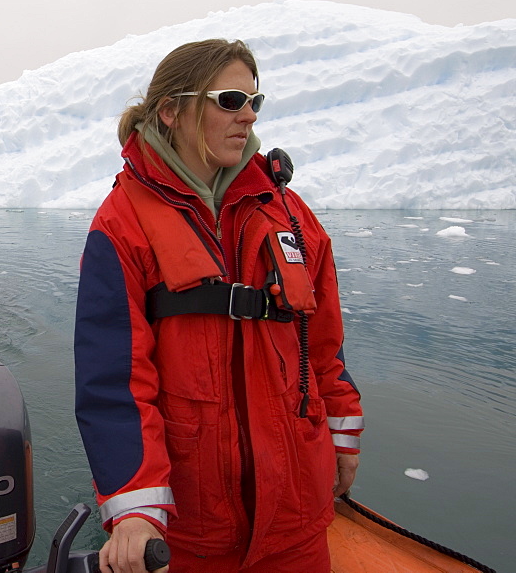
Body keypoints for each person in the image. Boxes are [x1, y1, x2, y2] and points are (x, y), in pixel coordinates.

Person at [73, 39, 364, 573]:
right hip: (193, 528)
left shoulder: (288, 212)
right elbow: (113, 382)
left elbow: (324, 343)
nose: (248, 114)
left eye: (255, 101)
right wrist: (136, 510)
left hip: (297, 508)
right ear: (172, 109)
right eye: (230, 99)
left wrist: (343, 434)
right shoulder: (122, 224)